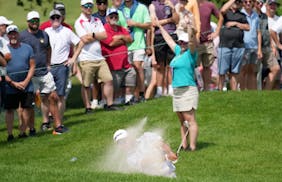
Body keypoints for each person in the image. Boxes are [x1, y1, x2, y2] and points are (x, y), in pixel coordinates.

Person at [20, 11, 68, 135]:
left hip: (44, 72)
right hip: (30, 75)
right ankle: (29, 129)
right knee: (31, 103)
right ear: (28, 22)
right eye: (32, 21)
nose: (35, 23)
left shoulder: (44, 34)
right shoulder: (22, 36)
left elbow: (48, 49)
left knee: (53, 97)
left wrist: (48, 63)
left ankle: (58, 126)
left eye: (37, 20)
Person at [155, 15, 199, 150]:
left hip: (188, 89)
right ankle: (184, 145)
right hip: (177, 90)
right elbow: (168, 40)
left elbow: (192, 41)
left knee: (189, 119)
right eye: (180, 42)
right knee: (182, 120)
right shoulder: (179, 51)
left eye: (183, 42)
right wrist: (160, 26)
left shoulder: (191, 53)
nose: (181, 43)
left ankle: (192, 147)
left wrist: (191, 27)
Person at [75, 0, 121, 112]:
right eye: (86, 6)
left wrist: (93, 34)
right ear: (82, 7)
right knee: (86, 84)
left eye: (90, 6)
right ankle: (88, 107)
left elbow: (104, 35)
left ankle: (109, 104)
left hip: (99, 57)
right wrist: (96, 36)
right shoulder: (79, 21)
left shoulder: (96, 20)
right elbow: (84, 39)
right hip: (86, 58)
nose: (88, 8)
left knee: (108, 80)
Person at [45, 10, 82, 121]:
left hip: (62, 67)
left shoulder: (67, 31)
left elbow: (80, 43)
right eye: (53, 17)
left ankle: (59, 122)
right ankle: (49, 120)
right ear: (50, 20)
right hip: (49, 67)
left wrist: (74, 59)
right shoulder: (46, 32)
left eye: (58, 17)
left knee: (60, 96)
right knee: (49, 95)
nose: (55, 19)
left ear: (61, 18)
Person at [4, 25, 35, 141]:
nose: (13, 36)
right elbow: (2, 70)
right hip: (9, 85)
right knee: (10, 109)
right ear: (7, 36)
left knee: (27, 107)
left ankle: (22, 131)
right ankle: (10, 134)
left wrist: (26, 81)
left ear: (18, 34)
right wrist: (12, 83)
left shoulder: (27, 48)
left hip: (27, 84)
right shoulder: (4, 50)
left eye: (15, 33)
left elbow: (32, 66)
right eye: (10, 34)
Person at [100, 8, 137, 105]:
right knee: (114, 85)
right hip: (113, 64)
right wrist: (123, 39)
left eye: (115, 16)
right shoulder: (104, 29)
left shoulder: (121, 28)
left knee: (131, 75)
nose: (114, 18)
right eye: (111, 16)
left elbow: (130, 39)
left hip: (125, 63)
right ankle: (110, 101)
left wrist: (120, 37)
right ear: (107, 18)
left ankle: (128, 99)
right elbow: (111, 43)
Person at [118, 0, 151, 102]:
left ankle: (141, 94)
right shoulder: (119, 10)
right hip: (125, 45)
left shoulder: (142, 8)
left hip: (139, 43)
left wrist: (135, 24)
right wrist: (123, 32)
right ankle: (129, 95)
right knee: (128, 71)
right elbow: (116, 27)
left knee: (138, 67)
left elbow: (148, 25)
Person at [112, 128, 178, 177]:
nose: (123, 144)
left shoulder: (146, 136)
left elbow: (161, 143)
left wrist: (170, 152)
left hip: (170, 174)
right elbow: (145, 162)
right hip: (156, 178)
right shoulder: (130, 159)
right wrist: (166, 157)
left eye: (124, 140)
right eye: (120, 143)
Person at [217, 0, 250, 91]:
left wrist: (235, 24)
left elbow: (248, 27)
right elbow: (222, 10)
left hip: (238, 45)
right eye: (236, 1)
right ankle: (219, 91)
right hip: (225, 45)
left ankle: (233, 92)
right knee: (222, 71)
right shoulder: (226, 13)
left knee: (234, 71)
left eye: (239, 2)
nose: (237, 3)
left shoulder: (242, 15)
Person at [149, 0, 179, 97]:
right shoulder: (153, 4)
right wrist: (169, 20)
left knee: (171, 64)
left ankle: (171, 89)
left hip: (172, 35)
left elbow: (177, 20)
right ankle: (159, 91)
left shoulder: (174, 2)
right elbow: (153, 23)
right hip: (159, 36)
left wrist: (173, 9)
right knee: (160, 65)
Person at [255, 0, 280, 90]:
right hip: (257, 47)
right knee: (257, 73)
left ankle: (266, 93)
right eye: (258, 2)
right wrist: (259, 49)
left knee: (276, 69)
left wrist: (273, 46)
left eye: (261, 2)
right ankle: (256, 94)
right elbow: (258, 33)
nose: (260, 4)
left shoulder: (264, 16)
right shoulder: (253, 15)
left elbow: (267, 32)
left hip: (267, 47)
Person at [197, 0, 219, 91]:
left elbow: (221, 18)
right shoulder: (190, 3)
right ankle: (196, 88)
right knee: (195, 67)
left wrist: (216, 33)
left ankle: (206, 89)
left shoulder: (210, 5)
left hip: (207, 42)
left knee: (207, 66)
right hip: (195, 42)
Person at [239, 0, 262, 90]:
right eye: (245, 1)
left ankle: (252, 93)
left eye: (250, 1)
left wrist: (259, 48)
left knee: (252, 71)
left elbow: (258, 33)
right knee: (243, 70)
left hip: (254, 47)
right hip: (243, 46)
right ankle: (243, 91)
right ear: (242, 3)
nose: (248, 3)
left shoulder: (256, 15)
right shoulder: (240, 14)